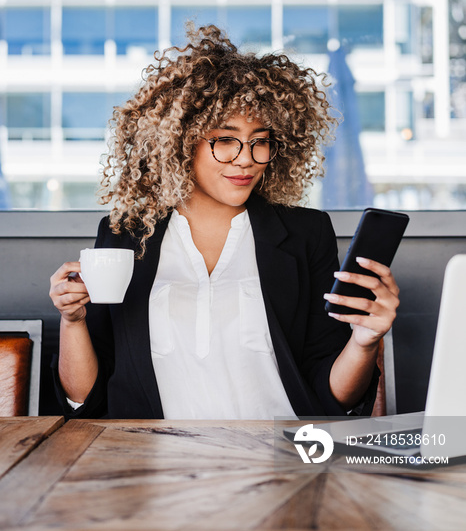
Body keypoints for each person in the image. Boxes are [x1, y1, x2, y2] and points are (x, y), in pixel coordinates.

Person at [49, 24, 399, 419]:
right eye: (226, 139)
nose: (246, 158)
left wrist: (366, 341)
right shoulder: (127, 236)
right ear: (182, 143)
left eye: (260, 140)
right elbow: (86, 400)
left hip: (280, 462)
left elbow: (334, 398)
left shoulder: (305, 235)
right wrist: (72, 321)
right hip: (152, 464)